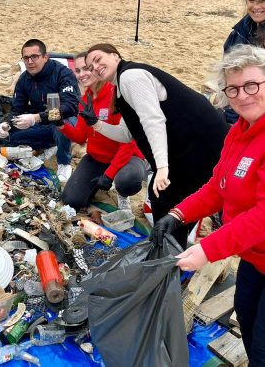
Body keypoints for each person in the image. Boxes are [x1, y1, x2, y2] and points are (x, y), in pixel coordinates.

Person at [150, 45, 265, 364]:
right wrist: (177, 214)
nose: (243, 95)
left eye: (252, 85)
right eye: (233, 88)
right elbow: (219, 187)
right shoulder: (239, 132)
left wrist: (206, 250)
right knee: (247, 318)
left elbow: (262, 216)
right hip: (255, 256)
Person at [83, 43, 228, 248]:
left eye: (98, 60)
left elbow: (153, 120)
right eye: (90, 66)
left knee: (164, 198)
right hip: (189, 147)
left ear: (115, 56)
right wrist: (95, 124)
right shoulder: (120, 88)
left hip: (201, 144)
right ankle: (173, 248)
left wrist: (161, 167)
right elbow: (127, 134)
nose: (94, 67)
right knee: (165, 199)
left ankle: (170, 255)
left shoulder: (130, 77)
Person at [60, 52, 146, 211]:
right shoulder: (85, 99)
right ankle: (101, 182)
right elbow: (80, 137)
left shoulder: (116, 94)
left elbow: (129, 141)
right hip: (97, 157)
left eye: (86, 69)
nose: (82, 75)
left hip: (127, 157)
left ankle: (122, 193)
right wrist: (60, 125)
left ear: (95, 69)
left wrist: (110, 174)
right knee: (72, 200)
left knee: (128, 180)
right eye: (77, 71)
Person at [0, 39, 80, 183]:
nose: (30, 62)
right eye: (26, 58)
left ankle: (64, 162)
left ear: (45, 57)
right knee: (6, 137)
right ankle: (51, 144)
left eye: (34, 56)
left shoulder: (62, 73)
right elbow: (17, 108)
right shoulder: (24, 79)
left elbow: (70, 107)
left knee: (59, 121)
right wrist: (7, 123)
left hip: (65, 119)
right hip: (40, 122)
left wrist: (36, 117)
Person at [223, 0, 265, 124]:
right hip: (236, 104)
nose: (256, 6)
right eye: (251, 0)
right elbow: (228, 72)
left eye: (262, 0)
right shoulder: (239, 31)